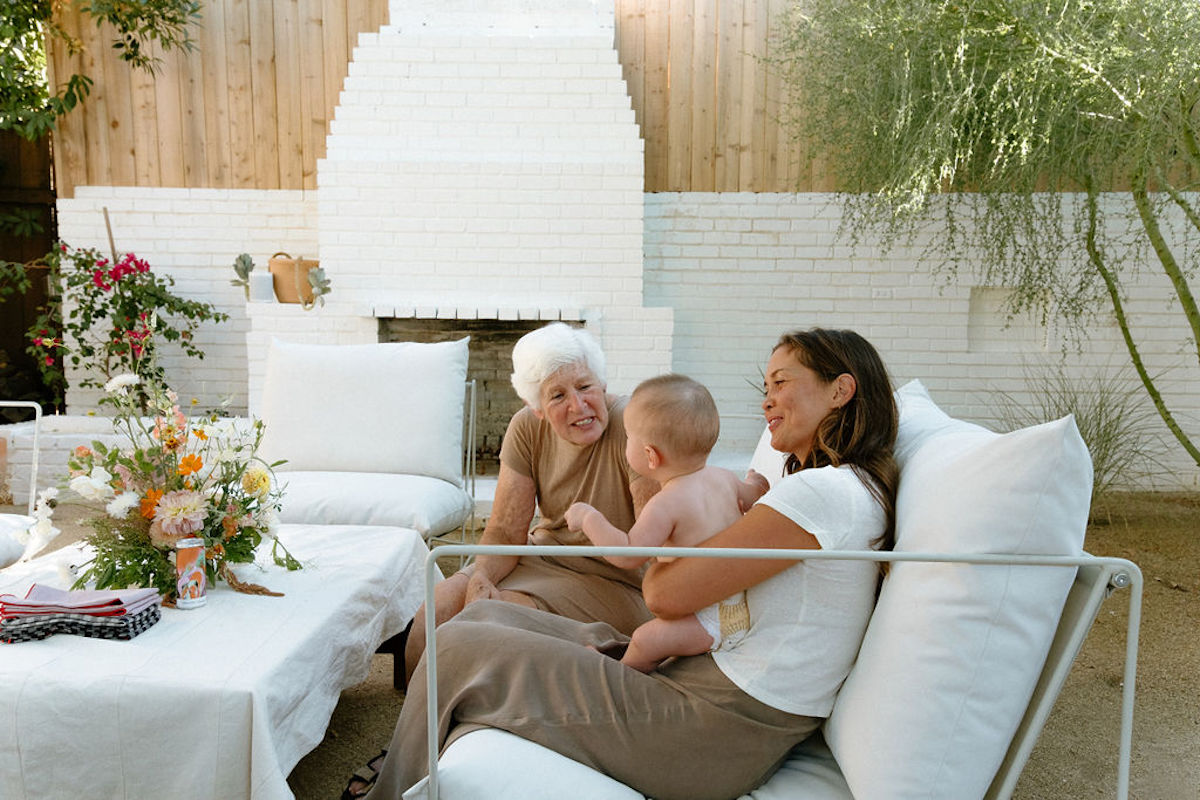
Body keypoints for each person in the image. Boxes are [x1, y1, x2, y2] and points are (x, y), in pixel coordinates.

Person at [362, 328, 899, 800]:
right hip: (700, 678)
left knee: (459, 642)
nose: (767, 401)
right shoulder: (823, 491)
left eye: (781, 382)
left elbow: (663, 593)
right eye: (766, 388)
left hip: (716, 728)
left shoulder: (823, 496)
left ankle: (393, 787)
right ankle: (421, 753)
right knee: (482, 617)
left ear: (841, 390)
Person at [400, 321, 659, 681]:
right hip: (542, 556)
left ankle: (467, 715)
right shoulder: (526, 427)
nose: (578, 405)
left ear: (602, 384)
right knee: (438, 608)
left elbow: (654, 545)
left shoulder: (634, 424)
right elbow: (506, 529)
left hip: (615, 579)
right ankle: (426, 722)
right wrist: (481, 577)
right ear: (536, 407)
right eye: (558, 396)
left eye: (585, 387)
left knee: (494, 615)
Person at [565, 373, 769, 672]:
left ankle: (621, 673)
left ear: (650, 455)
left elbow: (627, 553)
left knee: (647, 639)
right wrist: (755, 479)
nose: (625, 444)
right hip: (736, 607)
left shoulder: (665, 504)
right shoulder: (725, 478)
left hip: (706, 620)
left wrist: (588, 517)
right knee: (652, 633)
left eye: (628, 437)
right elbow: (757, 495)